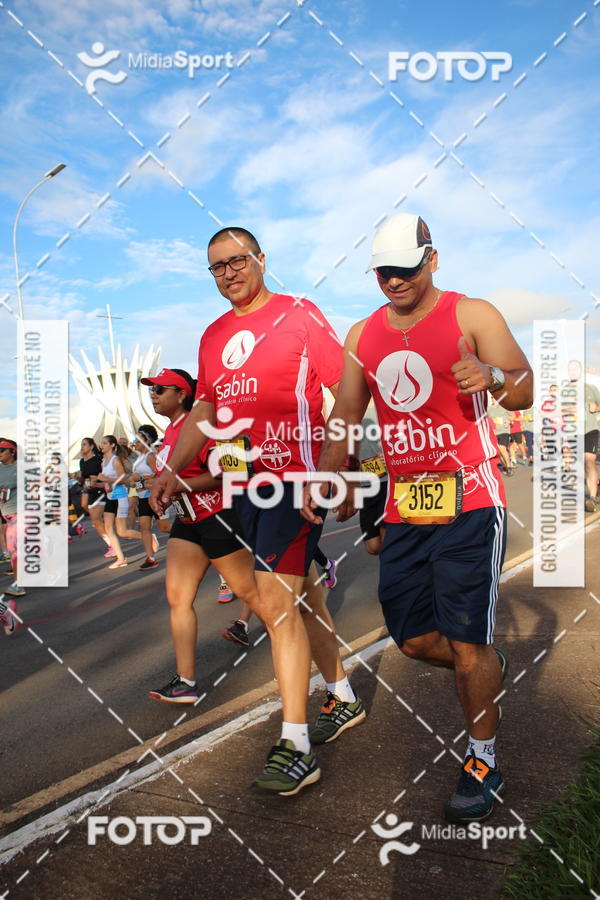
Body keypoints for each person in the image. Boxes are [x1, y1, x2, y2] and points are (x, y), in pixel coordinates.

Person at [302, 213, 533, 822]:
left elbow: (524, 386)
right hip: (406, 505)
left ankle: (482, 759)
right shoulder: (363, 334)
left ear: (433, 258)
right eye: (383, 271)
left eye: (405, 268)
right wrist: (329, 474)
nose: (394, 281)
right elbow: (345, 414)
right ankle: (485, 669)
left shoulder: (471, 314)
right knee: (411, 641)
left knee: (467, 642)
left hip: (471, 499)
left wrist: (493, 377)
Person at [152, 228, 365, 796]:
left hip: (294, 484)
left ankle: (295, 745)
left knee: (274, 605)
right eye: (217, 267)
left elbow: (346, 390)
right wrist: (173, 468)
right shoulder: (213, 334)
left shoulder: (299, 313)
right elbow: (206, 410)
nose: (229, 273)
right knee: (303, 600)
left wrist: (343, 468)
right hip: (242, 489)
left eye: (237, 260)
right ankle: (342, 696)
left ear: (261, 260)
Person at [140, 367, 259, 700]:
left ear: (182, 394)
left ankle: (297, 637)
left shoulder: (207, 424)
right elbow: (172, 479)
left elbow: (231, 473)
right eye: (151, 390)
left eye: (160, 390)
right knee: (177, 598)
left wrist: (175, 485)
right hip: (187, 522)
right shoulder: (169, 433)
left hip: (219, 516)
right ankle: (186, 682)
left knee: (251, 594)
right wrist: (161, 491)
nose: (153, 396)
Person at [91, 435, 141, 569]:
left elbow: (123, 479)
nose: (102, 445)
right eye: (101, 443)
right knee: (108, 529)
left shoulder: (115, 460)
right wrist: (96, 484)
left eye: (105, 443)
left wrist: (105, 479)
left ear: (112, 445)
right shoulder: (104, 462)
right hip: (110, 497)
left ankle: (147, 538)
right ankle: (121, 558)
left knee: (122, 532)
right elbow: (108, 483)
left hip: (120, 497)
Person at [130, 425, 160, 569]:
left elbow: (159, 476)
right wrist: (134, 482)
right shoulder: (139, 458)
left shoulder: (150, 456)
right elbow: (139, 480)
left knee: (165, 527)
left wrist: (140, 478)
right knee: (144, 527)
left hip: (154, 495)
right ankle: (151, 558)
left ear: (147, 441)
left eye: (137, 440)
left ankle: (194, 541)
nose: (134, 442)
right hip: (143, 496)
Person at [79, 438, 112, 556]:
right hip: (89, 489)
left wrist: (97, 480)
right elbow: (84, 477)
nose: (82, 447)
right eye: (81, 445)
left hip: (100, 489)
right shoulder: (82, 461)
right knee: (88, 511)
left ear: (91, 446)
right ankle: (111, 542)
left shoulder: (98, 459)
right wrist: (80, 478)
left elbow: (105, 474)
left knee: (96, 521)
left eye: (84, 444)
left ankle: (112, 545)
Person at [0, 439, 24, 598]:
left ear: (12, 451)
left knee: (14, 550)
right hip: (7, 514)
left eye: (2, 450)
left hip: (20, 513)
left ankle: (18, 585)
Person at [584, 377, 600, 511]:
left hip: (591, 430)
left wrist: (597, 408)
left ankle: (592, 497)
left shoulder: (592, 389)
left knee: (589, 460)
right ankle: (596, 483)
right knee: (586, 463)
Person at [487, 402, 512, 475]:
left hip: (504, 431)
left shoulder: (504, 406)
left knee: (502, 448)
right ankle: (506, 466)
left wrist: (508, 421)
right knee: (499, 451)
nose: (493, 399)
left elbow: (512, 416)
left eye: (494, 397)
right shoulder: (489, 409)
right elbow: (487, 419)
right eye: (492, 397)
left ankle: (509, 466)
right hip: (494, 432)